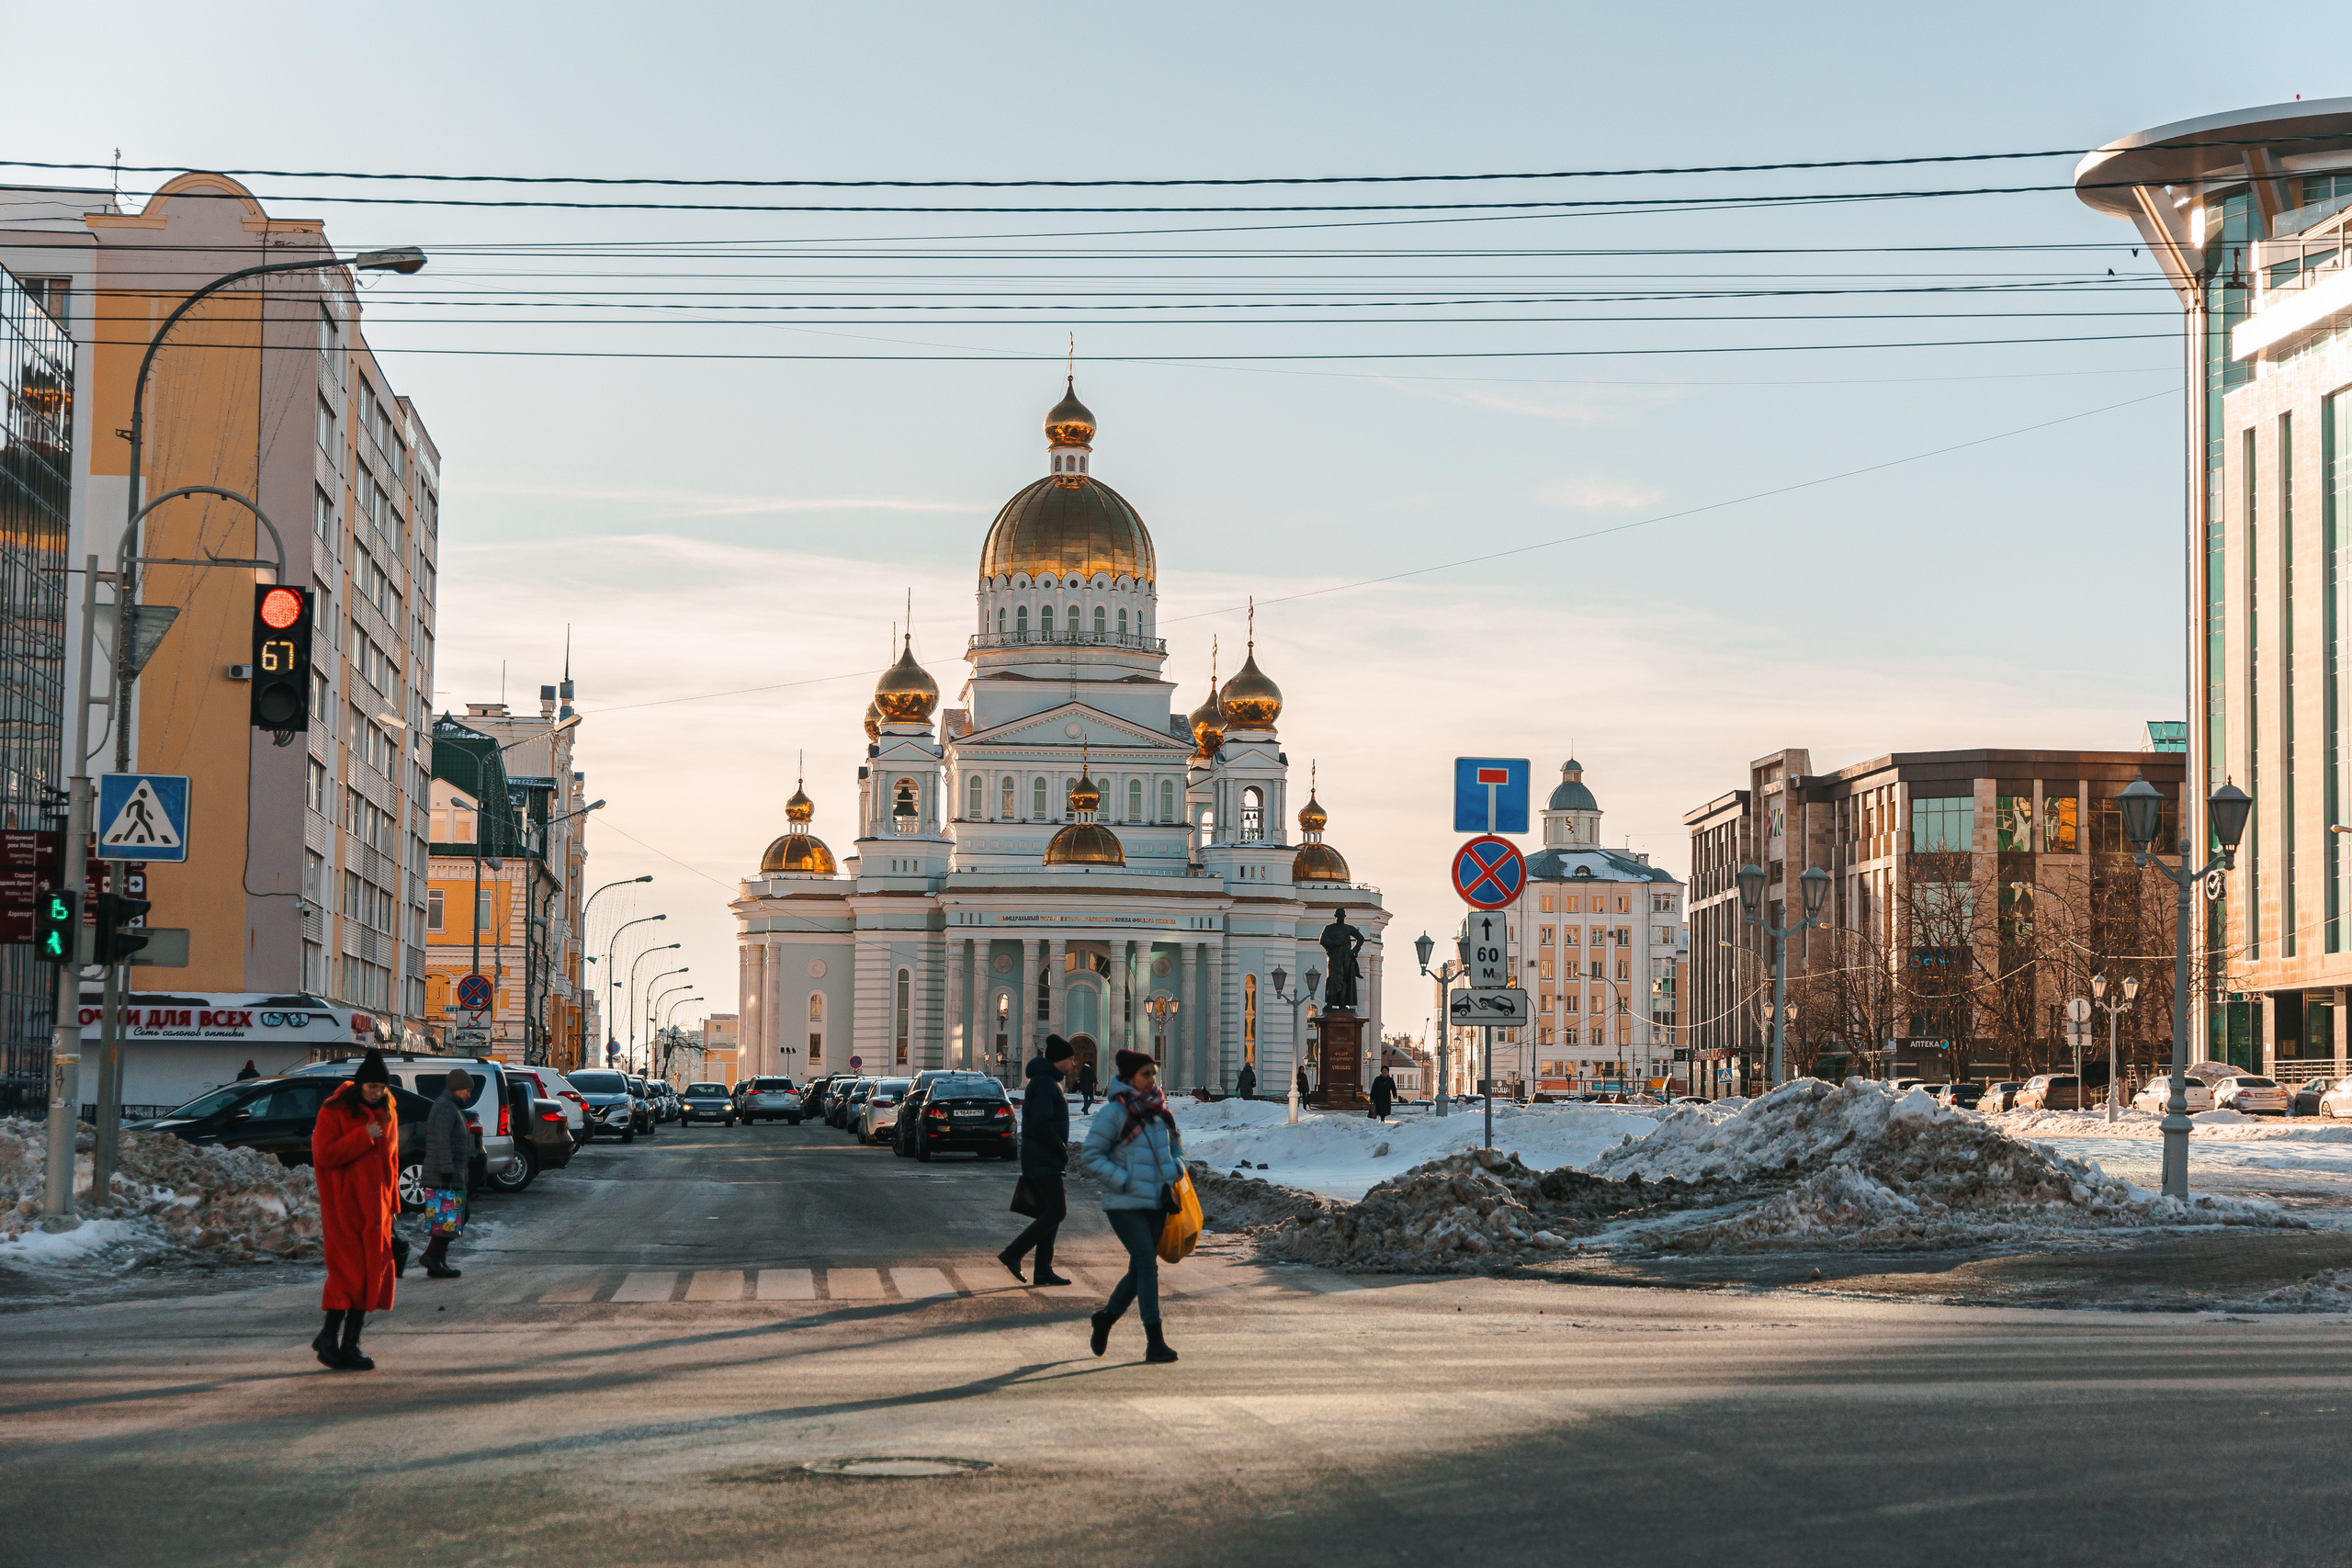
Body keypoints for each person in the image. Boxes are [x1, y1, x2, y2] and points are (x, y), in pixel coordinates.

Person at [1078, 1049, 1185, 1365]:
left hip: (1158, 1201)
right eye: (1145, 1074)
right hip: (1124, 1203)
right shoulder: (1114, 1113)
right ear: (1128, 1079)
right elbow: (1091, 1154)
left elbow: (1176, 1149)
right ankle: (1155, 1340)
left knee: (1139, 1268)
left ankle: (1106, 1318)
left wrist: (1176, 1169)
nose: (1152, 1080)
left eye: (1153, 1073)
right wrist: (1122, 1180)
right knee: (1146, 1265)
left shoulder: (1159, 1111)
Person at [311, 1047, 400, 1371]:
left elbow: (391, 1159)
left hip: (378, 1209)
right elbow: (324, 1156)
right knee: (346, 1275)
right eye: (372, 1086)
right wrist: (362, 1136)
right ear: (360, 1084)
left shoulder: (388, 1109)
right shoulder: (334, 1110)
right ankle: (330, 1337)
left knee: (369, 1276)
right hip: (344, 1206)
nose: (377, 1092)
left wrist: (394, 1203)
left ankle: (348, 1345)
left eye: (381, 1087)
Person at [999, 1035, 1076, 1286]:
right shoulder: (1044, 1084)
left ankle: (1043, 1270)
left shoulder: (1046, 1082)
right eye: (1071, 1059)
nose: (1074, 1065)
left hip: (1043, 1156)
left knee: (1049, 1213)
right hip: (1044, 1157)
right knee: (1057, 1211)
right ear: (1060, 1060)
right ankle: (1013, 1253)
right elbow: (1041, 1123)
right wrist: (1060, 1149)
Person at [420, 1066, 475, 1279]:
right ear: (456, 1088)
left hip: (450, 1172)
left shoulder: (451, 1106)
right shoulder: (445, 1107)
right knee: (452, 1214)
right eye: (467, 1090)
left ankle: (437, 1259)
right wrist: (446, 1171)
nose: (469, 1094)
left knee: (452, 1215)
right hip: (444, 1173)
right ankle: (433, 1256)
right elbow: (442, 1141)